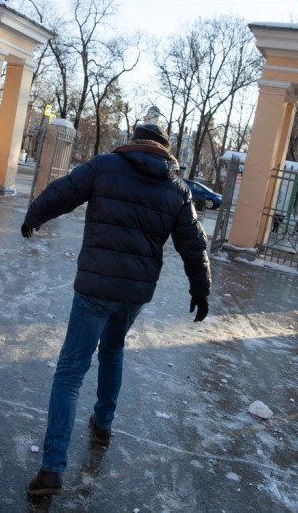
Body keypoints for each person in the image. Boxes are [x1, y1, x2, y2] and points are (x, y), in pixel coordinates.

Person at [21, 123, 212, 496]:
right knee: (112, 349)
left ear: (134, 141)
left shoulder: (105, 166)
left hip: (95, 286)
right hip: (134, 293)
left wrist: (34, 217)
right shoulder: (177, 189)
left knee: (70, 372)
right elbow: (194, 242)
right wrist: (201, 289)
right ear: (165, 151)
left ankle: (51, 470)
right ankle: (103, 423)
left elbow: (63, 192)